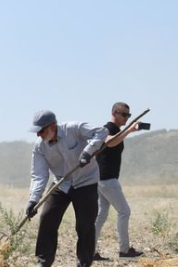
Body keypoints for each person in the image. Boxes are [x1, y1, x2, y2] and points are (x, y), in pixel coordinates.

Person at [26, 110, 108, 267]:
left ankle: (83, 263)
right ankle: (43, 261)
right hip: (61, 183)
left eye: (41, 131)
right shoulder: (39, 148)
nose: (38, 135)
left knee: (84, 224)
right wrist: (33, 200)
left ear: (53, 127)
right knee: (47, 218)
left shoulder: (74, 128)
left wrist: (88, 151)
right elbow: (39, 175)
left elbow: (101, 131)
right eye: (37, 132)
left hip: (86, 182)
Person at [92, 102, 144, 261]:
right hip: (107, 179)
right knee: (124, 211)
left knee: (101, 215)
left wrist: (128, 131)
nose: (127, 118)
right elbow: (109, 142)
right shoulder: (107, 129)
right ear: (114, 113)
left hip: (102, 179)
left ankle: (89, 250)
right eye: (124, 114)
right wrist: (129, 130)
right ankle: (124, 250)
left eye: (128, 115)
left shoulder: (116, 131)